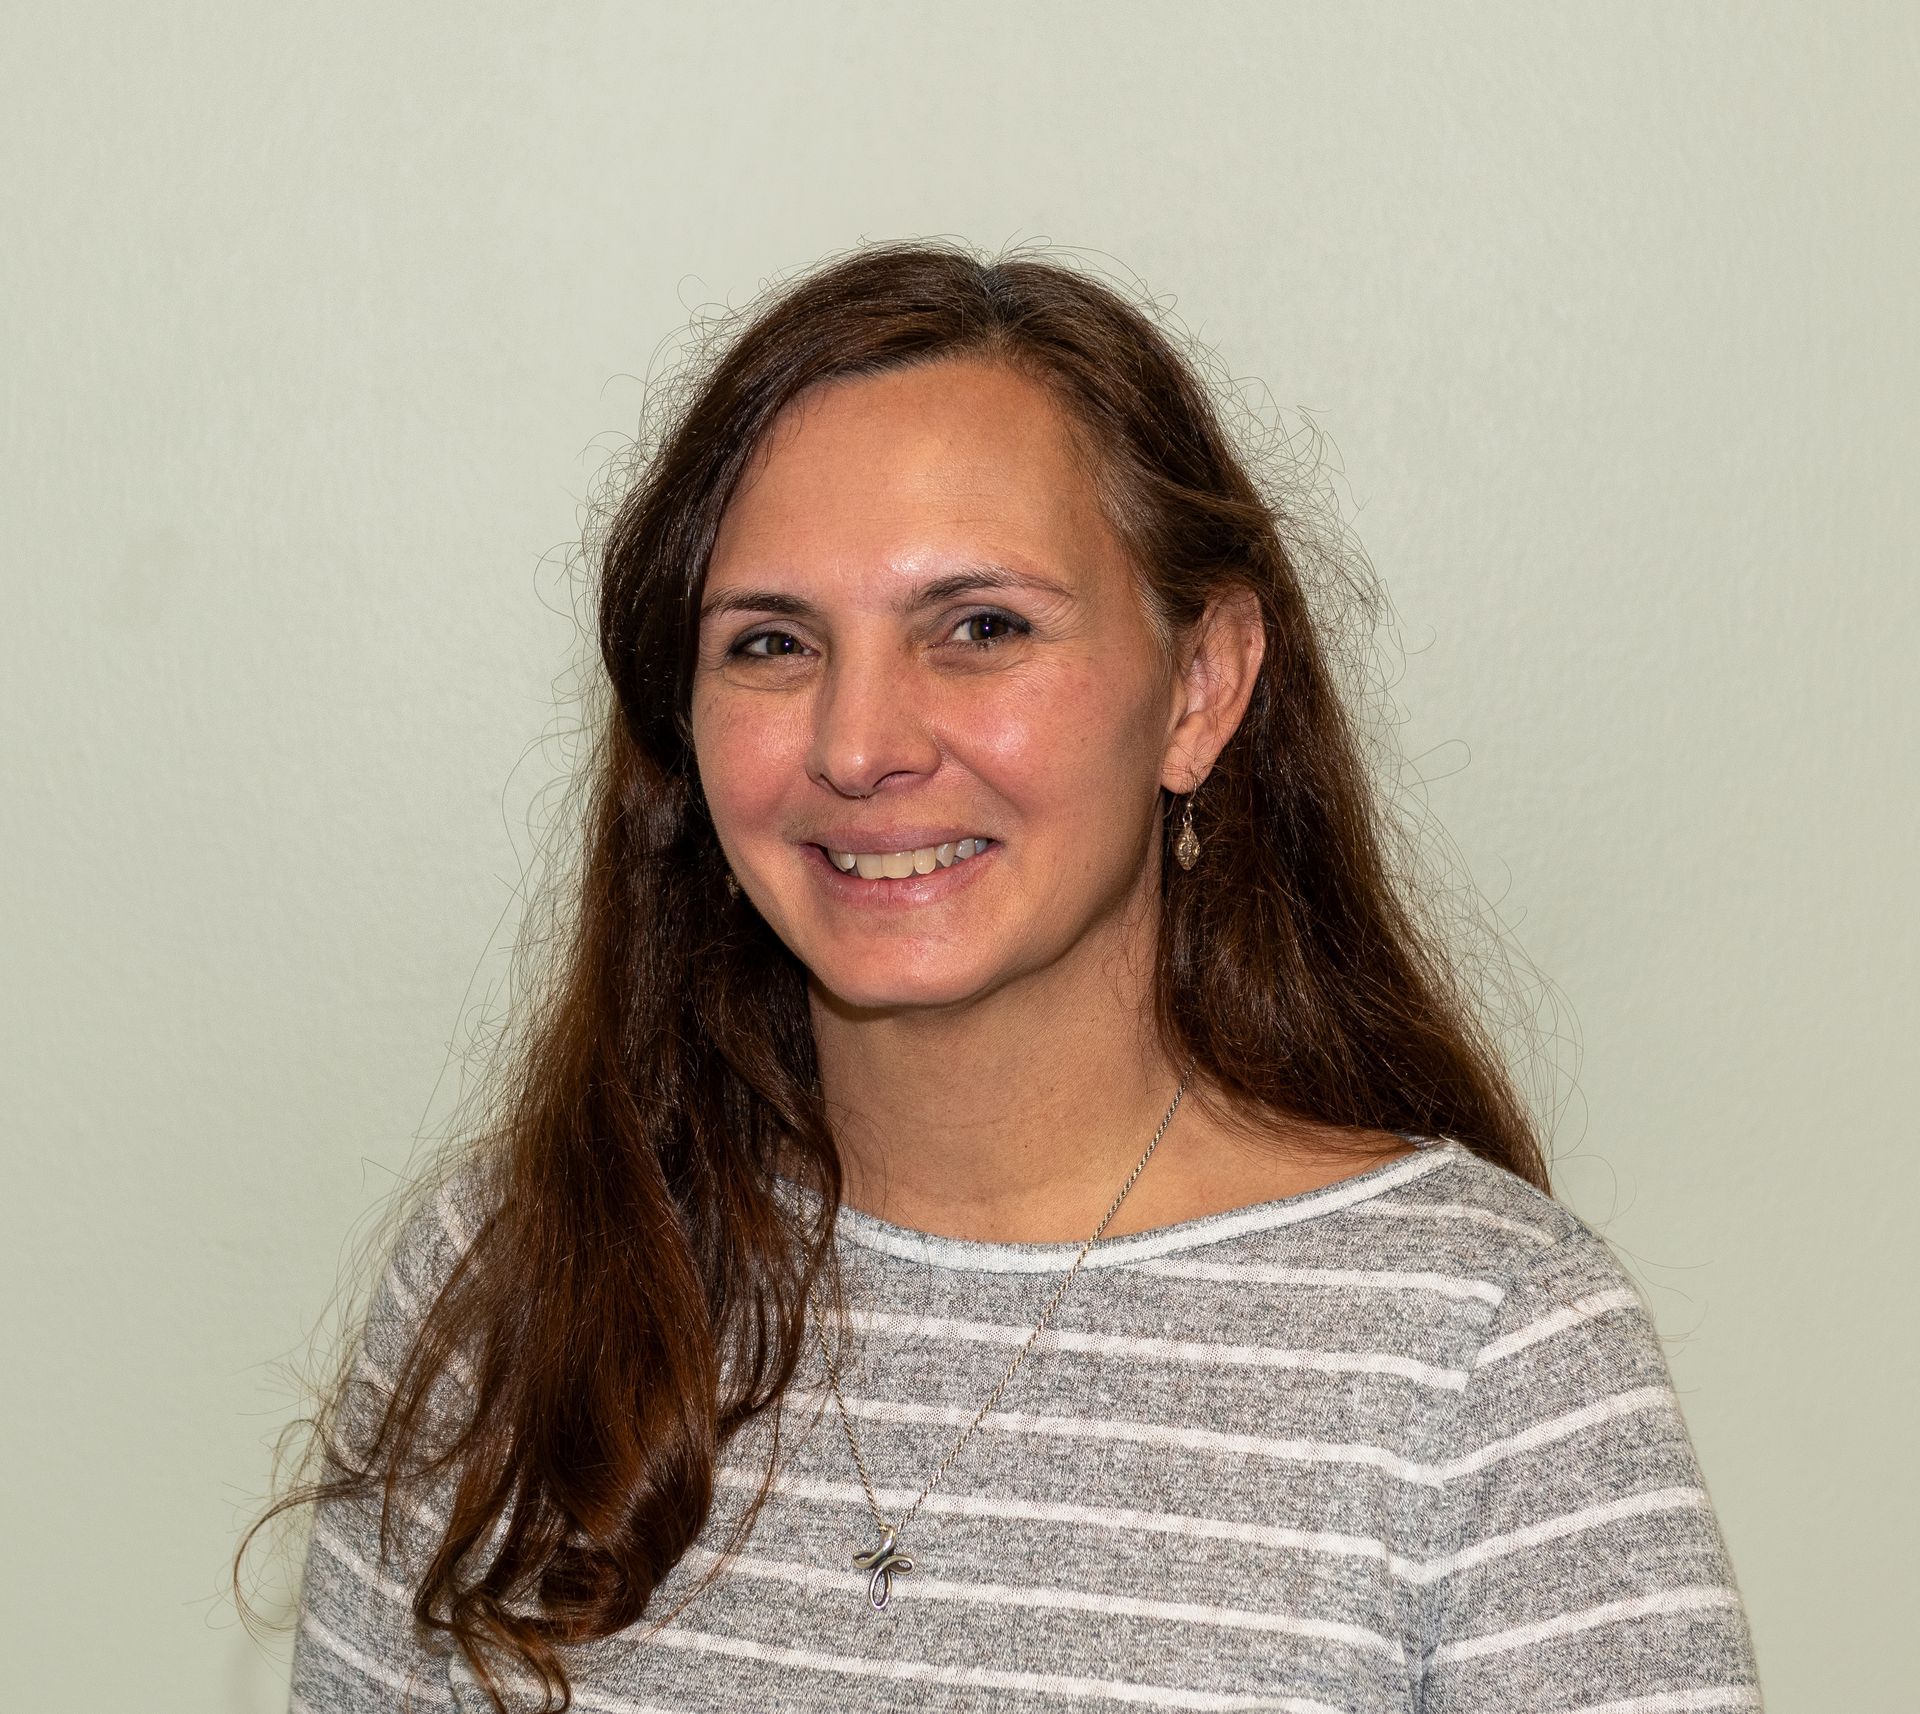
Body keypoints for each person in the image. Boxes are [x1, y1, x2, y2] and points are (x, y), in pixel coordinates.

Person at [269, 242, 1762, 1712]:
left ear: (1201, 687)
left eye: (980, 628)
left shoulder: (1487, 1346)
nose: (861, 745)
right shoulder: (513, 1279)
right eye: (773, 642)